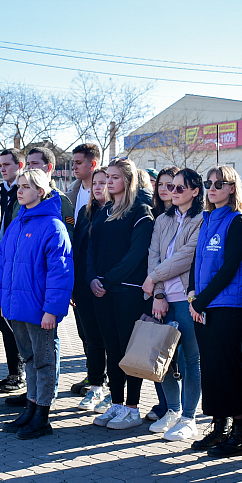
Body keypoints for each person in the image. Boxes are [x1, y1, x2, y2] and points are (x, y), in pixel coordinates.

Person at [0, 169, 74, 439]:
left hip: (39, 310)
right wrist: (1, 301)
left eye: (26, 186)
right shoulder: (16, 224)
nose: (20, 191)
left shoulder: (53, 226)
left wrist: (52, 310)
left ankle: (42, 416)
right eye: (19, 186)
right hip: (15, 308)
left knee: (44, 361)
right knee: (29, 359)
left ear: (40, 191)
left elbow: (61, 273)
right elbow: (3, 266)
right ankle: (30, 408)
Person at [183, 166, 242, 455]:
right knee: (211, 370)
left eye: (218, 184)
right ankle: (219, 428)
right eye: (208, 183)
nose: (211, 188)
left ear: (232, 188)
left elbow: (230, 268)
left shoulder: (237, 221)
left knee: (228, 369)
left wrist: (200, 302)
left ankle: (238, 435)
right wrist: (192, 294)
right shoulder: (207, 219)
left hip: (226, 306)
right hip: (203, 305)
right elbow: (195, 262)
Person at [87, 157, 153, 430]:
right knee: (112, 349)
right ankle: (116, 403)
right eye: (107, 178)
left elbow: (136, 255)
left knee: (129, 351)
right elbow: (91, 249)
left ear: (128, 180)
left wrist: (107, 278)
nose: (109, 182)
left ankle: (132, 408)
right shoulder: (103, 211)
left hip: (127, 291)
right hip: (102, 292)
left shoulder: (141, 211)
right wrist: (92, 277)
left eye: (115, 177)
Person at [143, 167, 203, 441]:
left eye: (180, 187)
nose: (173, 192)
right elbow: (153, 254)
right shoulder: (162, 220)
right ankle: (173, 410)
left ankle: (189, 417)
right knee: (161, 356)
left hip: (186, 300)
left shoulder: (202, 220)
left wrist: (153, 277)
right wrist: (157, 293)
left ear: (195, 191)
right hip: (163, 299)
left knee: (190, 359)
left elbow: (185, 257)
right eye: (170, 187)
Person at [143, 166, 179, 420]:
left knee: (179, 356)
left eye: (171, 185)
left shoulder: (186, 216)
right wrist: (157, 290)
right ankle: (163, 403)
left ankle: (177, 407)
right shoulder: (153, 214)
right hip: (153, 291)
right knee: (158, 348)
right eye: (161, 185)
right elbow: (152, 256)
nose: (165, 189)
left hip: (175, 291)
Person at [73, 167, 110, 412]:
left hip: (109, 286)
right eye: (95, 183)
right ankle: (95, 385)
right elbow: (78, 250)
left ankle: (114, 390)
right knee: (91, 338)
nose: (97, 187)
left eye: (103, 182)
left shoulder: (119, 213)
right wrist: (75, 286)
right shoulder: (85, 213)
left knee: (111, 340)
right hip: (85, 286)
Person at [65, 143, 100, 396]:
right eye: (73, 163)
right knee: (83, 330)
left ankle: (100, 378)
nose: (74, 167)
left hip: (97, 275)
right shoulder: (71, 195)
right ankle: (92, 373)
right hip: (76, 272)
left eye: (78, 163)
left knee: (98, 332)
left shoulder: (103, 194)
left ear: (93, 164)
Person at [0, 148, 27, 393]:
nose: (3, 169)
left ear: (20, 165)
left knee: (16, 320)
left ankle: (21, 373)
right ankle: (13, 371)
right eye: (0, 165)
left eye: (7, 164)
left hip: (18, 265)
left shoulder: (24, 193)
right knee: (1, 317)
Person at [26, 147, 75, 241]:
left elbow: (66, 239)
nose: (29, 168)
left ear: (49, 167)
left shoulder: (60, 200)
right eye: (28, 164)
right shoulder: (22, 197)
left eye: (35, 163)